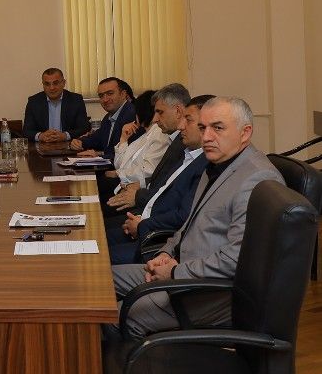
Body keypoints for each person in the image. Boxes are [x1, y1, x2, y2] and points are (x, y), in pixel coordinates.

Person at [110, 96, 283, 338]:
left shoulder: (257, 179)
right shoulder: (217, 164)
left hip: (204, 291)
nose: (207, 137)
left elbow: (236, 259)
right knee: (100, 282)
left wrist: (174, 273)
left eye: (218, 128)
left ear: (245, 133)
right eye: (202, 127)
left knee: (112, 317)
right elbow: (187, 226)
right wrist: (165, 253)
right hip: (179, 268)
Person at [107, 94, 212, 265]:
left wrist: (142, 225)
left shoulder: (206, 164)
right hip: (147, 222)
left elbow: (183, 215)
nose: (181, 126)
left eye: (188, 120)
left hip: (158, 239)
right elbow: (162, 190)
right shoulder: (186, 152)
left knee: (101, 255)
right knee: (98, 236)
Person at [107, 84, 192, 212]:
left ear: (178, 111)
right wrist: (142, 184)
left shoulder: (180, 141)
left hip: (152, 207)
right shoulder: (173, 138)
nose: (155, 119)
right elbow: (163, 179)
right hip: (141, 194)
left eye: (160, 112)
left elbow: (171, 191)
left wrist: (138, 190)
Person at [109, 90, 168, 188]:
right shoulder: (145, 135)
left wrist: (119, 173)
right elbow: (119, 164)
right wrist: (123, 139)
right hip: (125, 184)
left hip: (136, 187)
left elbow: (148, 170)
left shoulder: (160, 133)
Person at [70, 77, 135, 160]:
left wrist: (99, 157)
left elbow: (130, 154)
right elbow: (97, 139)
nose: (105, 99)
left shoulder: (132, 115)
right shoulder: (108, 117)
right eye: (101, 96)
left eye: (110, 93)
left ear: (123, 94)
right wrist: (79, 142)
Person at [22, 68, 91, 142]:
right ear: (43, 85)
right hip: (42, 146)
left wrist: (65, 135)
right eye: (47, 84)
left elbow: (84, 128)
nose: (52, 88)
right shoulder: (34, 102)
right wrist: (40, 136)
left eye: (55, 83)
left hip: (69, 145)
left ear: (63, 83)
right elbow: (26, 131)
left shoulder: (76, 100)